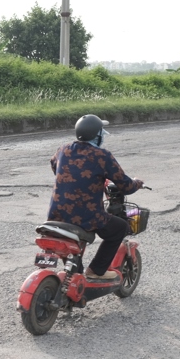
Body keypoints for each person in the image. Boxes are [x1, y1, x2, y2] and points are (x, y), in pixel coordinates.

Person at [48, 114, 144, 280]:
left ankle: (74, 274)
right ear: (97, 135)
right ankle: (96, 270)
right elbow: (125, 186)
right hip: (87, 216)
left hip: (56, 214)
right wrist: (137, 183)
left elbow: (55, 166)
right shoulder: (102, 156)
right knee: (119, 228)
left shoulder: (63, 149)